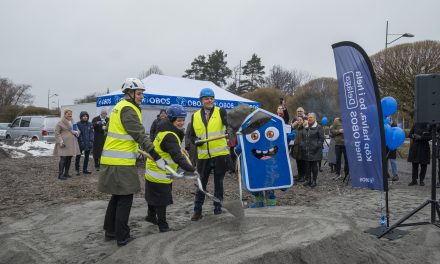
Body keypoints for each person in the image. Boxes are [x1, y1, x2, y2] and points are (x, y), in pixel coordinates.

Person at [98, 78, 165, 247]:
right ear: (129, 93)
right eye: (139, 93)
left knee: (117, 196)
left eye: (142, 93)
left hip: (112, 159)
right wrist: (156, 156)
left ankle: (110, 231)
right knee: (125, 197)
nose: (142, 96)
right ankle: (122, 236)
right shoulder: (128, 109)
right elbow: (140, 135)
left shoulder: (118, 107)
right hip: (120, 162)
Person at [144, 104, 196, 232]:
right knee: (162, 200)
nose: (181, 123)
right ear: (172, 120)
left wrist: (180, 148)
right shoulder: (170, 136)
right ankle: (163, 226)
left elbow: (170, 148)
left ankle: (150, 216)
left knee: (152, 196)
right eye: (178, 120)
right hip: (160, 172)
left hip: (152, 169)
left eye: (183, 120)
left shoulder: (164, 129)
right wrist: (192, 169)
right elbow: (178, 157)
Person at [189, 87, 229, 221]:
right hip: (203, 156)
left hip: (220, 155)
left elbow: (229, 125)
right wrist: (196, 141)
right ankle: (197, 210)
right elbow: (191, 135)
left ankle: (217, 208)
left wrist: (231, 131)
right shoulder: (194, 116)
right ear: (201, 100)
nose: (209, 100)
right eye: (207, 98)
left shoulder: (221, 111)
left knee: (219, 183)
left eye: (211, 98)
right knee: (201, 184)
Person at [53, 109, 81, 180]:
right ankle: (60, 174)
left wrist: (76, 132)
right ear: (65, 114)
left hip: (71, 143)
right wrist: (60, 141)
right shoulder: (60, 123)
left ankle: (66, 173)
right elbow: (57, 133)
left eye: (70, 114)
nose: (69, 115)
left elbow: (77, 130)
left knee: (69, 158)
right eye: (68, 114)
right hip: (64, 143)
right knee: (63, 158)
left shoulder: (73, 122)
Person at [300, 113, 324, 187]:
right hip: (306, 150)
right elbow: (302, 138)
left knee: (314, 166)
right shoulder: (305, 127)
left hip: (315, 151)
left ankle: (314, 181)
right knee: (307, 166)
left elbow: (321, 139)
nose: (309, 118)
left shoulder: (318, 127)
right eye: (308, 117)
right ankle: (308, 180)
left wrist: (316, 146)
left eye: (311, 117)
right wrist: (302, 145)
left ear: (315, 118)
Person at [75, 111, 94, 175]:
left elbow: (92, 133)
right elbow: (77, 134)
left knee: (87, 157)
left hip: (88, 143)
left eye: (86, 116)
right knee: (78, 156)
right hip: (80, 143)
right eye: (84, 116)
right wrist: (81, 141)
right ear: (81, 117)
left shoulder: (90, 124)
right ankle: (77, 170)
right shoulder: (78, 124)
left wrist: (91, 141)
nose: (85, 117)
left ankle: (85, 169)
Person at [291, 107, 306, 182]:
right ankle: (299, 175)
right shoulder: (295, 126)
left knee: (303, 163)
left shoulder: (305, 127)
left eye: (301, 111)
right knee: (298, 163)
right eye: (298, 111)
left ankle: (304, 176)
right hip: (296, 148)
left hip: (303, 148)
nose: (299, 112)